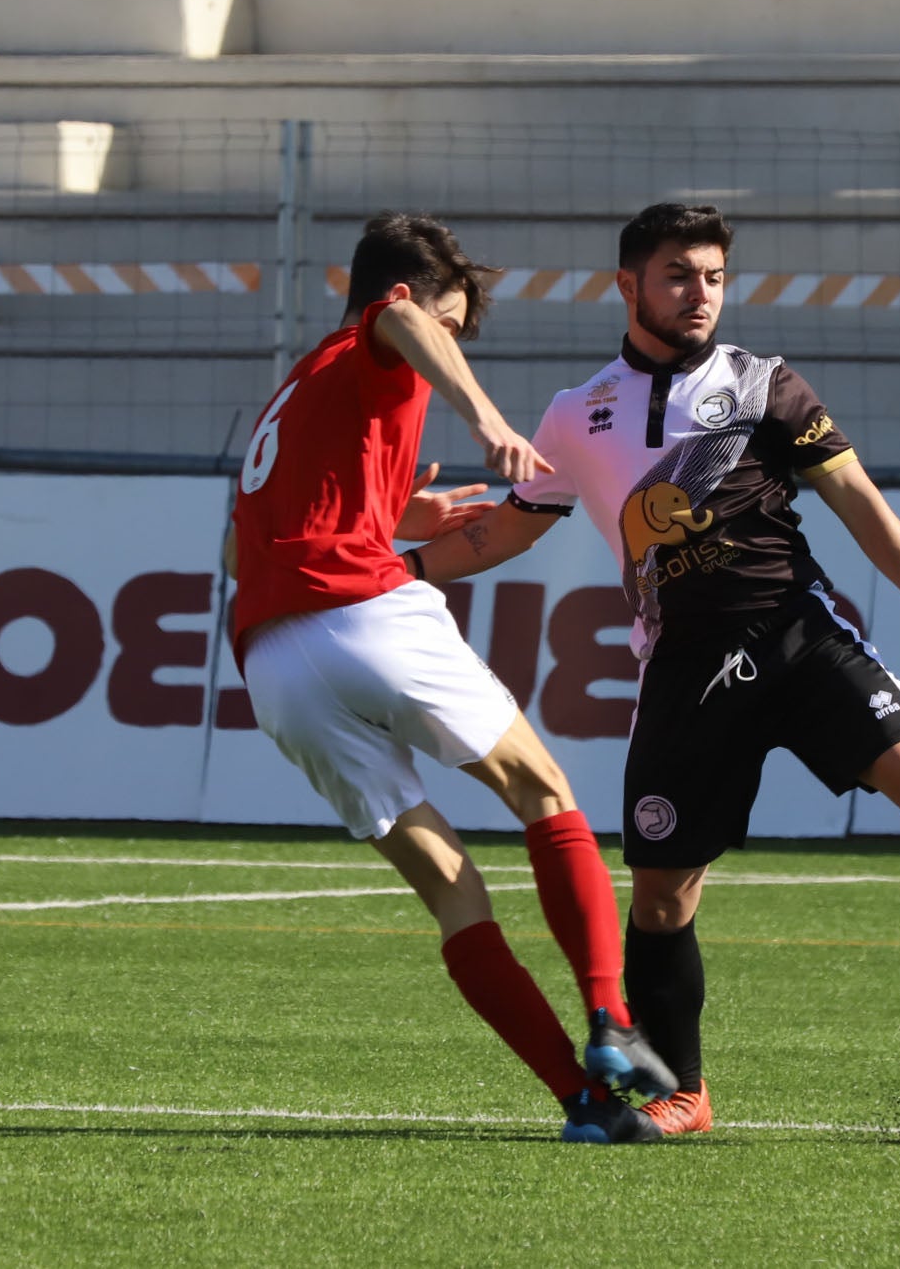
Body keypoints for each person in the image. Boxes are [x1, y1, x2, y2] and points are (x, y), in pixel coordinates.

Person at [414, 203, 900, 1137]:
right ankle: (685, 1092)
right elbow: (495, 534)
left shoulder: (764, 384)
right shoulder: (576, 415)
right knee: (659, 896)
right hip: (683, 671)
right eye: (681, 275)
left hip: (796, 638)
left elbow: (857, 499)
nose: (701, 295)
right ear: (628, 285)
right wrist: (388, 572)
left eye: (715, 278)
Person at [226, 212, 676, 1144]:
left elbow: (243, 549)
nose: (453, 339)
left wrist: (389, 508)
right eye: (455, 319)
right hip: (366, 619)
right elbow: (404, 319)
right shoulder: (383, 329)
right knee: (543, 790)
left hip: (275, 665)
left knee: (453, 893)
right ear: (415, 295)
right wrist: (489, 419)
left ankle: (583, 1104)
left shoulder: (296, 388)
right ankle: (610, 1021)